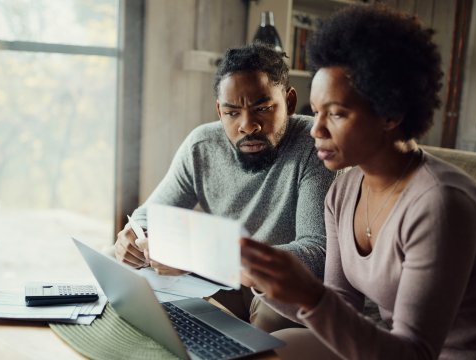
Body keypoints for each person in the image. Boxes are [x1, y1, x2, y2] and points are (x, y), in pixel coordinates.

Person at [240, 4, 476, 359]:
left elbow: (414, 353)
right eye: (316, 112)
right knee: (251, 353)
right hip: (383, 345)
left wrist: (309, 295)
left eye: (337, 113)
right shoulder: (344, 191)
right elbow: (340, 305)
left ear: (390, 112)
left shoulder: (441, 204)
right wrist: (265, 281)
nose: (316, 129)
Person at [114, 44, 335, 332]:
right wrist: (132, 237)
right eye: (232, 112)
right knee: (145, 299)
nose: (248, 125)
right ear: (219, 111)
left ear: (290, 102)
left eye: (263, 109)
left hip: (281, 288)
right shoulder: (202, 145)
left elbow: (317, 253)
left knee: (274, 319)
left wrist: (200, 254)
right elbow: (150, 214)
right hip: (219, 278)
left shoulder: (315, 145)